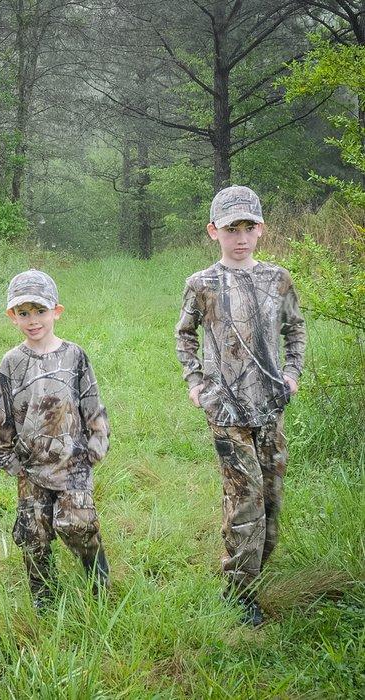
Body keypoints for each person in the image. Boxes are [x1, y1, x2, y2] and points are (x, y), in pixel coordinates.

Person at [175, 185, 306, 626]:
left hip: (270, 408)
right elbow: (184, 336)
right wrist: (197, 384)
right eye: (232, 228)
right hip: (226, 414)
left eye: (249, 227)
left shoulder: (278, 279)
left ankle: (257, 570)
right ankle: (239, 592)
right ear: (215, 231)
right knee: (244, 500)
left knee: (271, 500)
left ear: (261, 229)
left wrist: (292, 374)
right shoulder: (202, 284)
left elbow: (296, 330)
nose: (241, 237)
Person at [0, 269, 110, 609]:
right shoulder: (11, 363)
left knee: (78, 525)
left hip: (72, 462)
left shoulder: (74, 356)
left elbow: (92, 403)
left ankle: (97, 578)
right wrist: (8, 456)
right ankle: (44, 595)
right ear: (12, 316)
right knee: (34, 533)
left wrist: (97, 442)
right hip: (31, 466)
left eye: (40, 311)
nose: (33, 321)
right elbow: (3, 415)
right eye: (24, 313)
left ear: (56, 311)